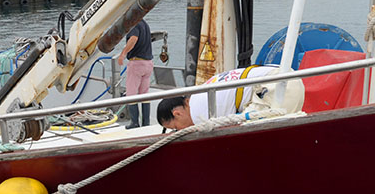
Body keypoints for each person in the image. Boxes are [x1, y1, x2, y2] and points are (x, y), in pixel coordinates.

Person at [157, 65, 305, 130]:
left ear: (177, 113)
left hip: (275, 89)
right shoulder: (201, 92)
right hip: (288, 79)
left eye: (176, 128)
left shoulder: (198, 113)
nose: (180, 131)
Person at [116, 17, 153, 128]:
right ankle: (146, 123)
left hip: (136, 63)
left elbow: (133, 39)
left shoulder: (134, 24)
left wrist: (123, 54)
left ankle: (134, 123)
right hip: (148, 63)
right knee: (144, 94)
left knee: (131, 94)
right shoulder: (145, 24)